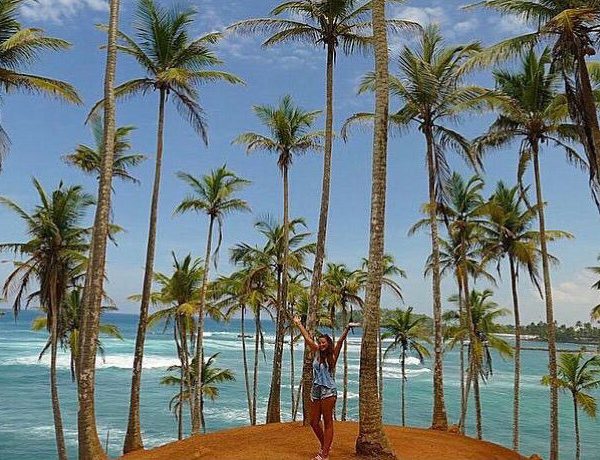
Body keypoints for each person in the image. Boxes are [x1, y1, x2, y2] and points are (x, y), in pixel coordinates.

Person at [293, 315, 359, 460]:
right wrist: (298, 324)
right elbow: (307, 338)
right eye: (320, 342)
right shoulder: (316, 351)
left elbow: (341, 341)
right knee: (314, 422)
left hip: (328, 390)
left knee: (328, 422)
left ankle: (324, 454)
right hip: (316, 390)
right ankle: (325, 446)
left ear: (328, 343)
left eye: (323, 343)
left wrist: (347, 328)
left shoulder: (333, 355)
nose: (321, 344)